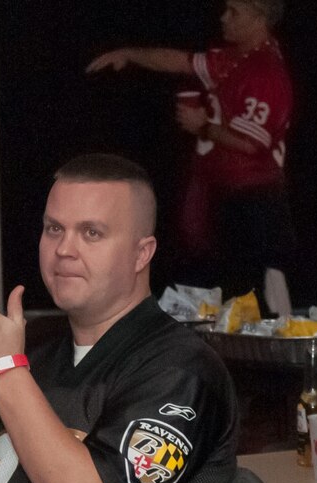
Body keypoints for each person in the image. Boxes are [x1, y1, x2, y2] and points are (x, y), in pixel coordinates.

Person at [0, 154, 239, 483]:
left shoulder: (181, 369)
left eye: (91, 233)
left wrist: (3, 369)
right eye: (54, 229)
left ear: (142, 253)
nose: (64, 249)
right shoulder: (33, 363)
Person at [86, 0, 294, 314]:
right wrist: (128, 54)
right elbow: (179, 61)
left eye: (234, 12)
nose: (223, 18)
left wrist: (204, 126)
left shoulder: (265, 72)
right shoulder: (232, 59)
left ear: (259, 19)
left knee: (258, 302)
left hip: (256, 205)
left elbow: (252, 143)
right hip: (227, 199)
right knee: (222, 291)